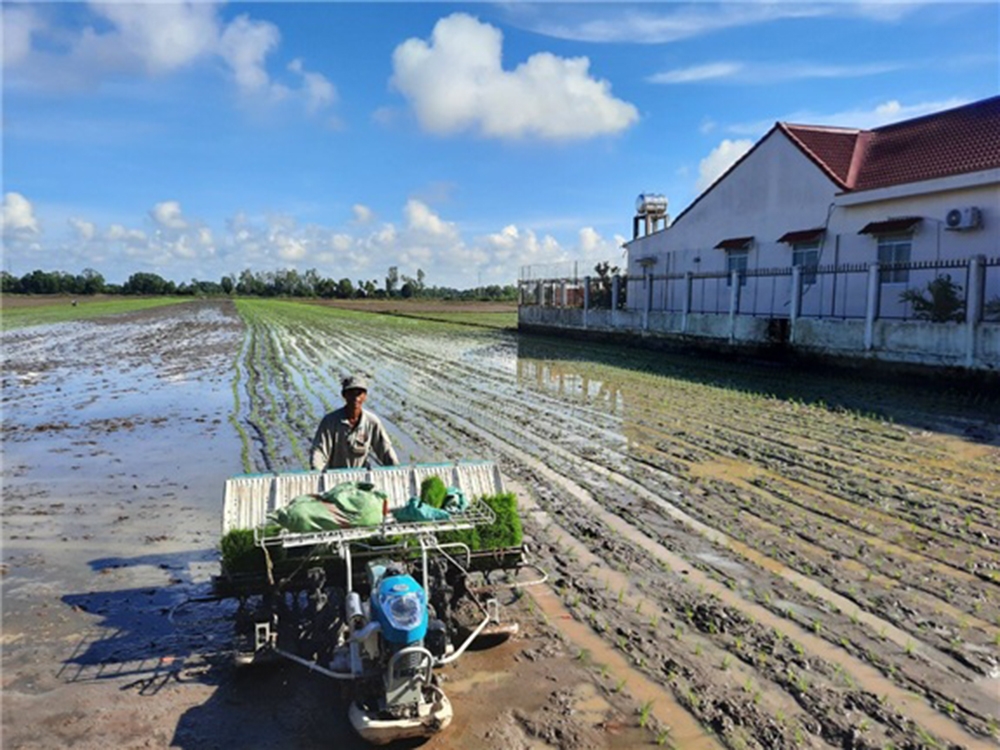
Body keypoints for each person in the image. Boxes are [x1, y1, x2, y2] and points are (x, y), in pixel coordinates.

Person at [310, 374, 399, 470]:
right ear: (344, 395)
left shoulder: (372, 422)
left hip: (362, 476)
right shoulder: (330, 422)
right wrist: (317, 473)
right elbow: (319, 452)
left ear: (365, 396)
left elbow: (385, 450)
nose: (355, 398)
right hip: (337, 475)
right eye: (351, 393)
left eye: (359, 393)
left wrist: (397, 471)